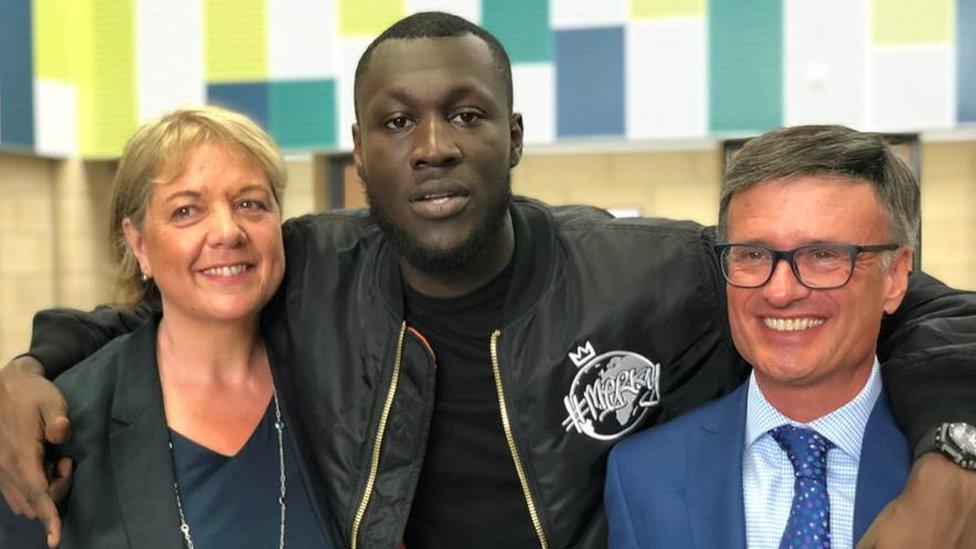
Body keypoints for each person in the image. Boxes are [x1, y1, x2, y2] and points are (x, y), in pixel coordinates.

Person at [1, 12, 975, 549]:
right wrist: (31, 366)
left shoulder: (649, 270)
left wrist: (950, 459)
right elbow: (156, 302)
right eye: (396, 124)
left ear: (513, 138)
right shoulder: (313, 269)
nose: (431, 148)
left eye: (466, 116)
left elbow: (913, 308)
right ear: (358, 149)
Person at [0, 107, 334, 548]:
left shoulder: (340, 380)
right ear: (139, 244)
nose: (227, 231)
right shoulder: (56, 430)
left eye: (250, 203)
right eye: (186, 211)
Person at [605, 125, 920, 548]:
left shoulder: (944, 465)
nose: (780, 291)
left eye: (823, 255)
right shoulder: (644, 476)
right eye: (753, 255)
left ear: (895, 277)